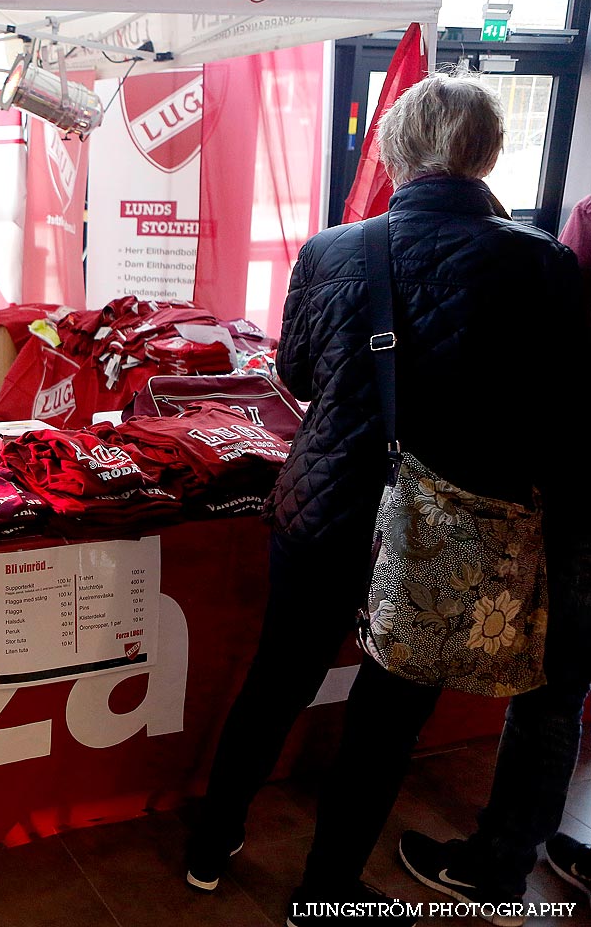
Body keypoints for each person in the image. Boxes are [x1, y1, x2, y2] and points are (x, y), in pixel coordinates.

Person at [182, 74, 585, 927]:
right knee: (388, 712)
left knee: (278, 676)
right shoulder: (539, 261)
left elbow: (294, 375)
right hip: (447, 526)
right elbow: (558, 407)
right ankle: (324, 891)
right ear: (486, 154)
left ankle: (211, 844)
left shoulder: (331, 250)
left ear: (395, 151)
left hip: (323, 505)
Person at [389, 187, 591, 920]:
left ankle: (499, 865)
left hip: (576, 488)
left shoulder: (578, 231)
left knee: (554, 687)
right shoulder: (539, 249)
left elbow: (562, 369)